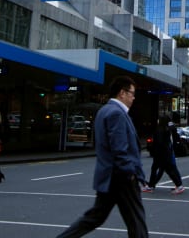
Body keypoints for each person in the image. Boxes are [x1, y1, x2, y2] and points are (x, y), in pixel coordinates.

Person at [57, 76, 148, 238]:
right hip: (121, 178)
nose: (133, 98)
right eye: (132, 93)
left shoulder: (104, 110)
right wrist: (131, 174)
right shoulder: (117, 114)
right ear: (122, 93)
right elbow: (119, 149)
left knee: (94, 218)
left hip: (109, 176)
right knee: (136, 221)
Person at [142, 115, 185, 194]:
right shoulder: (167, 129)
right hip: (165, 152)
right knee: (164, 169)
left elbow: (159, 142)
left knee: (167, 169)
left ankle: (179, 185)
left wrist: (155, 150)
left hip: (161, 153)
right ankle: (151, 185)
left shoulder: (160, 129)